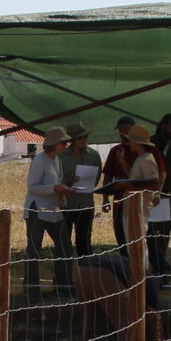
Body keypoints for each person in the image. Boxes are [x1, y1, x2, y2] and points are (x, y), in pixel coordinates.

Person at [22, 130, 75, 293]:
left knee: (65, 247)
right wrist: (55, 188)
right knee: (34, 250)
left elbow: (55, 183)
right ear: (54, 144)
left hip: (53, 209)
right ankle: (32, 289)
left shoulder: (56, 159)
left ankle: (63, 286)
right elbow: (33, 186)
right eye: (63, 142)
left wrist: (64, 187)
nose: (66, 145)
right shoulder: (40, 160)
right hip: (37, 209)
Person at [100, 115, 162, 247]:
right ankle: (131, 263)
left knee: (140, 239)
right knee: (126, 236)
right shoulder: (120, 152)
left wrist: (131, 186)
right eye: (121, 130)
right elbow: (128, 177)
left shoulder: (147, 157)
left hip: (140, 204)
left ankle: (145, 265)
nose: (123, 133)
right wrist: (122, 162)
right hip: (124, 200)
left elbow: (153, 183)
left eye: (126, 130)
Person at [54, 122, 102, 265]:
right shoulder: (61, 156)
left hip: (86, 203)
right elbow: (55, 179)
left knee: (84, 241)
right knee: (64, 242)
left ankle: (86, 275)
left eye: (85, 136)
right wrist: (68, 180)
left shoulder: (94, 155)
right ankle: (63, 276)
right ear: (72, 140)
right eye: (80, 137)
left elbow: (97, 176)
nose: (83, 140)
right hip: (66, 205)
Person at [146, 113, 171, 274]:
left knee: (165, 229)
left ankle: (162, 260)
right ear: (164, 125)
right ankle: (155, 262)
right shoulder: (154, 143)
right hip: (157, 193)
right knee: (154, 229)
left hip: (169, 192)